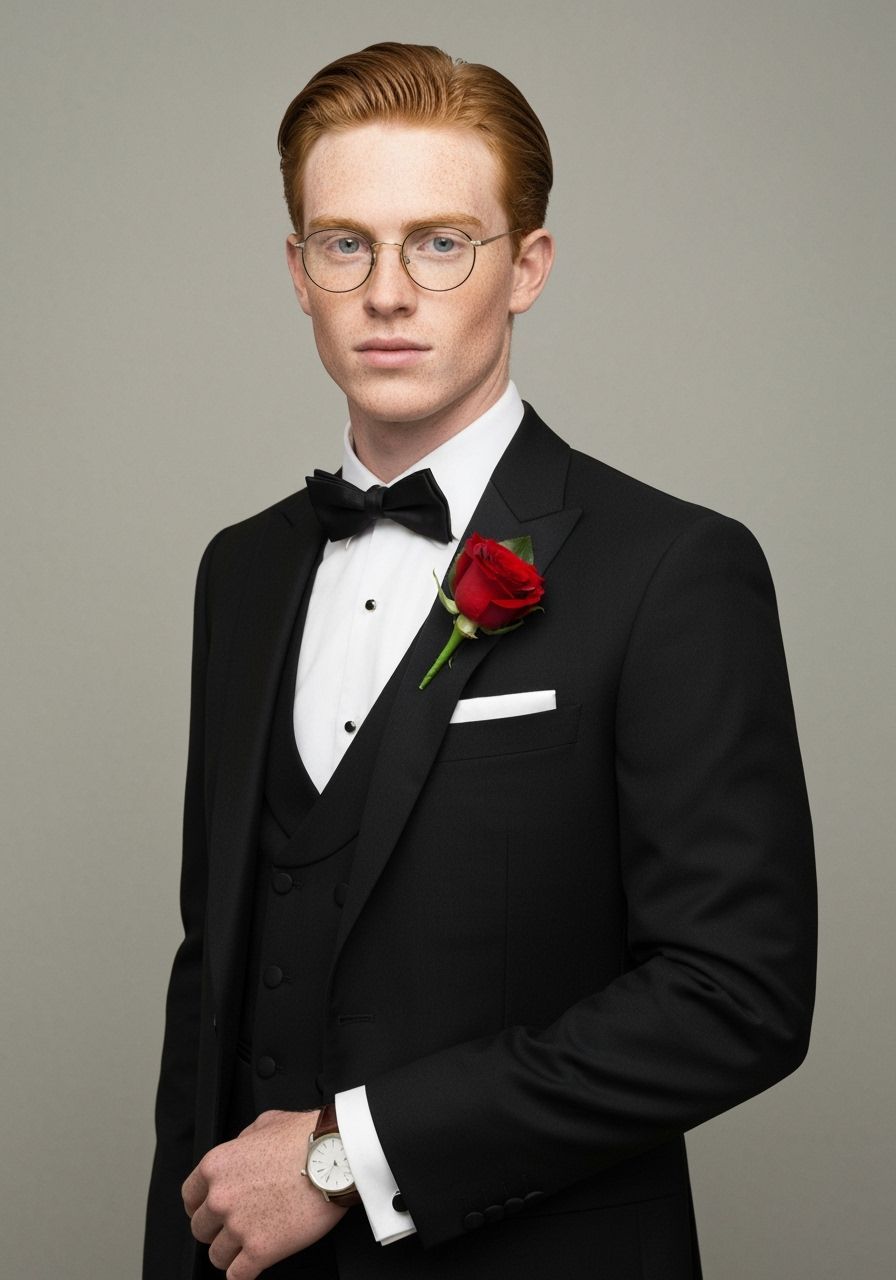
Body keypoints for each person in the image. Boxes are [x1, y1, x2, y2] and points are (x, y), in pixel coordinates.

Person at [144, 41, 816, 1280]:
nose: (387, 290)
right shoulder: (238, 571)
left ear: (527, 268)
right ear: (297, 273)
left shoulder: (673, 567)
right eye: (344, 243)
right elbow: (219, 980)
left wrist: (347, 1150)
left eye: (440, 242)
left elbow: (735, 997)